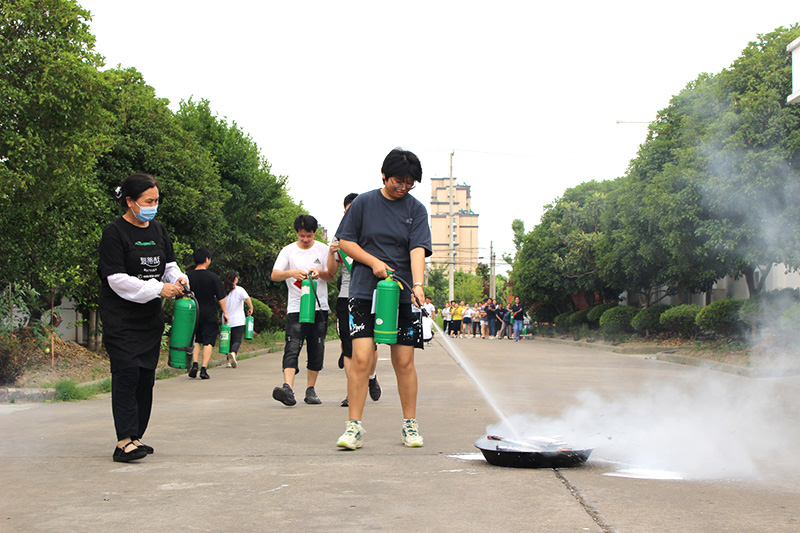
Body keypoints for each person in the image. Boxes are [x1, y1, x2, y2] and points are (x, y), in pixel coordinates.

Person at [335, 148, 432, 450]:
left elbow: (418, 249)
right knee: (362, 358)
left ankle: (410, 425)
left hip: (402, 293)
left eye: (409, 183)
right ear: (384, 175)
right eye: (398, 181)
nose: (403, 187)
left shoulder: (415, 210)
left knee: (403, 361)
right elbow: (345, 242)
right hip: (364, 291)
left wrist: (417, 284)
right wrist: (373, 261)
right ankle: (354, 427)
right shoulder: (363, 203)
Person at [98, 173, 189, 462]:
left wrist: (178, 278)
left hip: (149, 318)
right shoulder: (114, 233)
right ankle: (123, 441)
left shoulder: (158, 230)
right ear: (130, 201)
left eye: (156, 200)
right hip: (122, 318)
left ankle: (135, 436)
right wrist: (157, 288)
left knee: (145, 378)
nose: (154, 205)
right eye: (148, 201)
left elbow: (169, 265)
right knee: (127, 374)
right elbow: (116, 280)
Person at [271, 214, 337, 406]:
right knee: (292, 346)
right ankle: (288, 389)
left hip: (319, 306)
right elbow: (275, 274)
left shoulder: (323, 249)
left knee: (316, 348)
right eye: (301, 236)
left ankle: (310, 389)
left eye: (308, 235)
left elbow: (331, 276)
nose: (305, 239)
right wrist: (291, 273)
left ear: (314, 233)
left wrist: (320, 273)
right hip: (296, 307)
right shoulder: (288, 251)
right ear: (297, 234)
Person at [330, 193, 381, 408]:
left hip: (370, 296)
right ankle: (351, 392)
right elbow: (331, 273)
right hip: (346, 296)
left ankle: (371, 377)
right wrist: (331, 254)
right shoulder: (337, 238)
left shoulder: (372, 235)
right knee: (348, 346)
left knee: (370, 345)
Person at [187, 248, 229, 379]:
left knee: (196, 340)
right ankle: (204, 369)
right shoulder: (213, 277)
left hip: (194, 312)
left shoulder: (188, 276)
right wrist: (225, 313)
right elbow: (221, 297)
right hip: (209, 313)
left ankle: (194, 364)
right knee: (208, 341)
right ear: (206, 260)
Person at [223, 270, 253, 368]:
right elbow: (247, 299)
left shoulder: (223, 290)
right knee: (237, 340)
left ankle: (228, 361)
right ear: (235, 279)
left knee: (228, 341)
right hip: (238, 320)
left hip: (226, 320)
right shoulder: (239, 289)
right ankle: (233, 353)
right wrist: (251, 308)